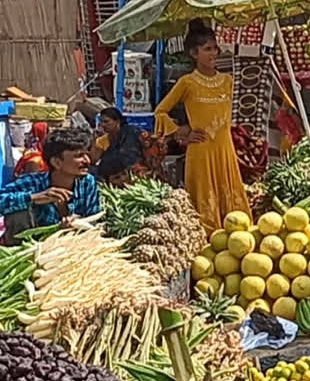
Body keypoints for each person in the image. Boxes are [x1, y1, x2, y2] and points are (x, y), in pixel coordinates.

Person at [154, 19, 250, 234]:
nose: (213, 53)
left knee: (233, 207)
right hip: (200, 152)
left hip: (225, 150)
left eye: (215, 48)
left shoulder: (228, 81)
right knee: (204, 206)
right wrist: (180, 133)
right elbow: (160, 111)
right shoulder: (187, 82)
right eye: (207, 49)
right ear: (194, 54)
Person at [0, 128, 99, 243]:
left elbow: (95, 217)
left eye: (87, 154)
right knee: (18, 212)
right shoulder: (32, 183)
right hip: (35, 244)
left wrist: (79, 221)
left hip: (72, 245)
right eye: (79, 155)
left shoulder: (87, 183)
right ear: (56, 162)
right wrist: (33, 198)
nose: (87, 160)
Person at [90, 107, 144, 184]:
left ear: (118, 121)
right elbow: (93, 160)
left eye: (106, 121)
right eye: (101, 122)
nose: (103, 125)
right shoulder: (102, 140)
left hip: (129, 172)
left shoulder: (129, 133)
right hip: (112, 175)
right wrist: (94, 140)